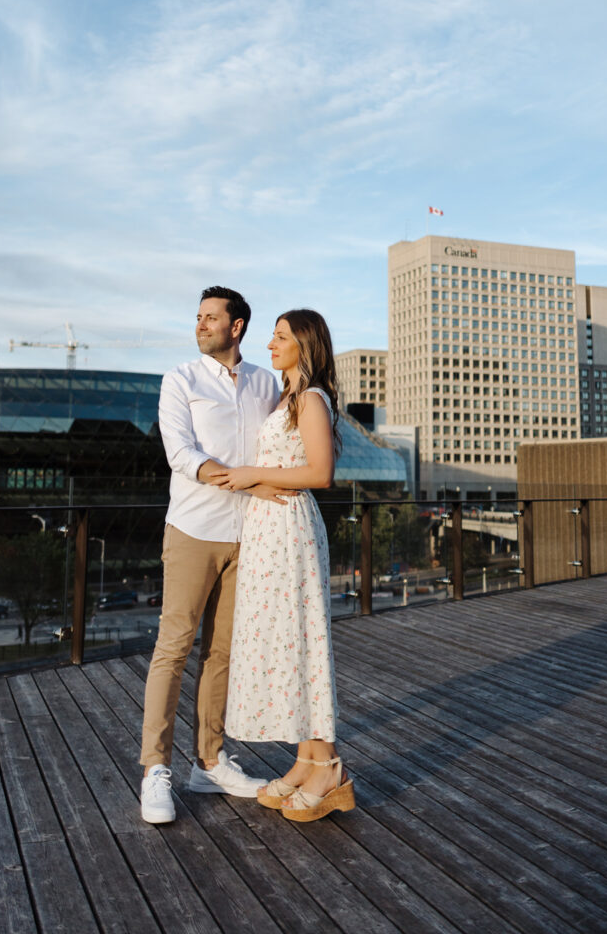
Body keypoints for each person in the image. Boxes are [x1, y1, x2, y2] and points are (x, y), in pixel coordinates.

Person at [139, 286, 288, 824]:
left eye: (210, 318)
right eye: (197, 317)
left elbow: (281, 447)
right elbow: (180, 452)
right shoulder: (181, 378)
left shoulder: (265, 383)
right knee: (173, 648)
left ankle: (209, 761)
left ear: (237, 326)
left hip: (251, 537)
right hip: (194, 530)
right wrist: (244, 483)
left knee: (222, 654)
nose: (200, 325)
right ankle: (155, 769)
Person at [210, 309, 355, 823]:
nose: (270, 344)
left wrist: (250, 472)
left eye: (280, 337)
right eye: (271, 335)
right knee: (287, 644)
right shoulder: (287, 398)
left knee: (302, 640)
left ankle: (329, 767)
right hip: (270, 532)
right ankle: (307, 760)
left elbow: (320, 472)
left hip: (290, 529)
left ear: (305, 345)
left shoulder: (311, 398)